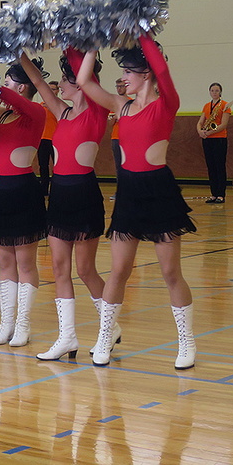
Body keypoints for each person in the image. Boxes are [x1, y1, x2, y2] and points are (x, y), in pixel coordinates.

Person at [77, 35, 197, 369]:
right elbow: (85, 81)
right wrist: (91, 42)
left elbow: (163, 68)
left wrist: (142, 30)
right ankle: (104, 337)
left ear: (146, 75)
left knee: (171, 272)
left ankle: (186, 341)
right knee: (119, 270)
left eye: (129, 71)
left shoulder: (166, 103)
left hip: (159, 190)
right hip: (128, 191)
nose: (123, 77)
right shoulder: (120, 105)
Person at [19, 49, 112, 361]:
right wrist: (18, 52)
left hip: (84, 194)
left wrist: (78, 44)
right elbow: (36, 79)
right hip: (58, 194)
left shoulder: (96, 111)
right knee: (60, 268)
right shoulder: (62, 112)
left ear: (80, 83)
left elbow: (85, 73)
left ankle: (108, 329)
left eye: (64, 80)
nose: (58, 85)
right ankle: (67, 337)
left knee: (85, 270)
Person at [0, 60, 47, 347]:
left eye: (8, 80)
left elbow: (9, 96)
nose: (4, 86)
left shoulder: (34, 112)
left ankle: (23, 324)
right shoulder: (2, 116)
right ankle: (7, 323)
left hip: (24, 192)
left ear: (22, 86)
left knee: (25, 263)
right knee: (4, 262)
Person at [196, 82, 232, 204]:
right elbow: (200, 121)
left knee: (219, 166)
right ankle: (213, 194)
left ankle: (221, 195)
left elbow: (224, 125)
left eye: (217, 91)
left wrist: (209, 132)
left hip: (219, 139)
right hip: (207, 139)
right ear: (209, 92)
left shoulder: (225, 105)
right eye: (212, 90)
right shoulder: (206, 105)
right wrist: (200, 131)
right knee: (211, 166)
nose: (214, 93)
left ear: (220, 92)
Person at [36, 81, 59, 196]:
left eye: (54, 89)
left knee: (57, 165)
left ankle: (56, 188)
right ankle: (44, 189)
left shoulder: (60, 106)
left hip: (56, 140)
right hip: (42, 139)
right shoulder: (40, 106)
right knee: (43, 165)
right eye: (49, 89)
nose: (51, 91)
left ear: (58, 91)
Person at [109, 77, 130, 177]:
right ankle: (120, 190)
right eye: (117, 86)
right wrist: (116, 117)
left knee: (129, 164)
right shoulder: (113, 103)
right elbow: (110, 123)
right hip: (116, 137)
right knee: (118, 165)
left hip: (129, 138)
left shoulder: (132, 102)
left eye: (121, 86)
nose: (119, 89)